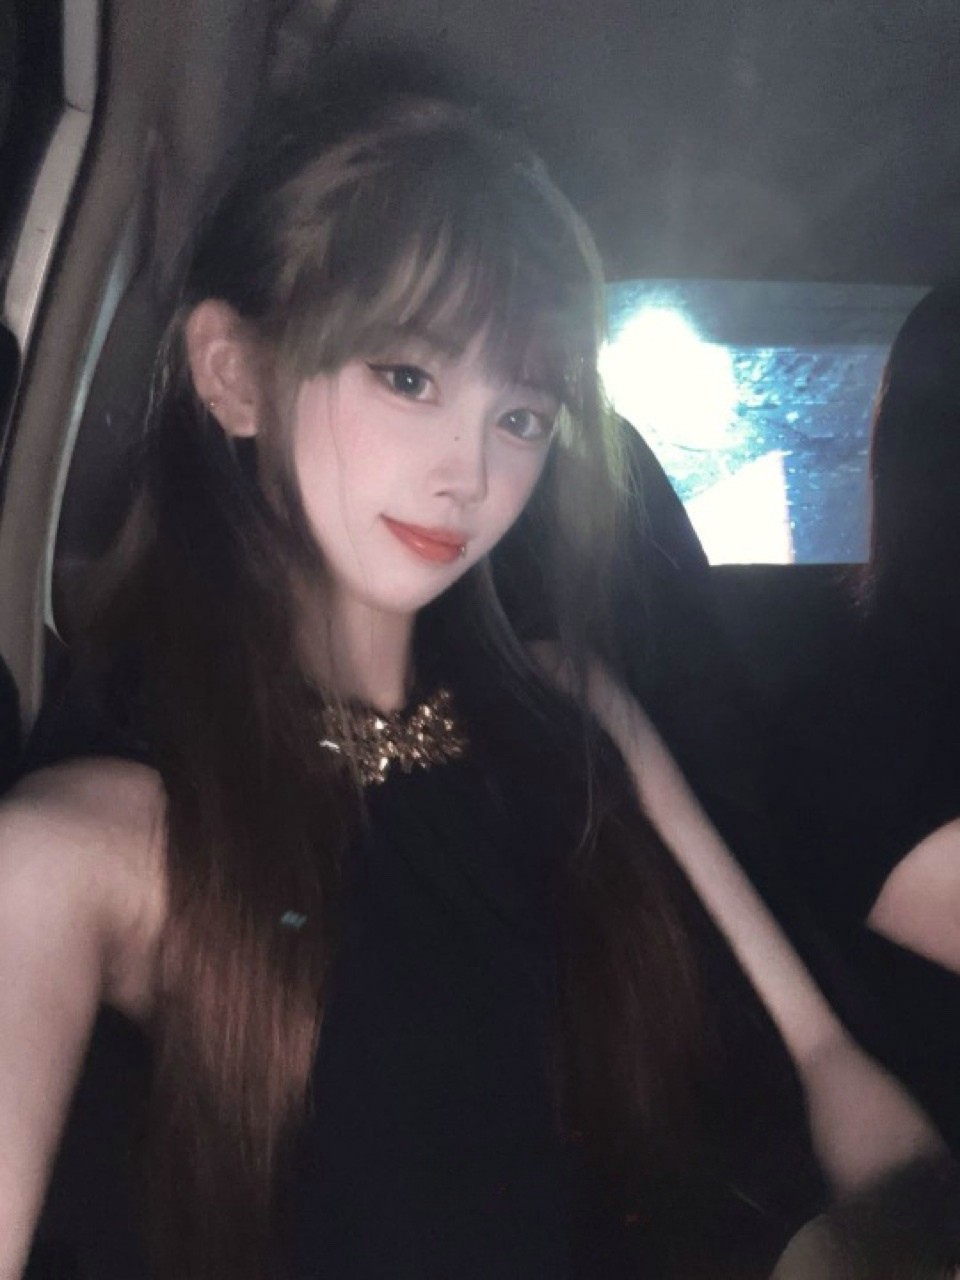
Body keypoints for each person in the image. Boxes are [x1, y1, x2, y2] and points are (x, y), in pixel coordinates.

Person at [0, 93, 945, 1280]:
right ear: (233, 374)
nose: (470, 470)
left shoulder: (574, 708)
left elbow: (824, 1061)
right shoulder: (86, 848)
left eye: (523, 413)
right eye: (407, 376)